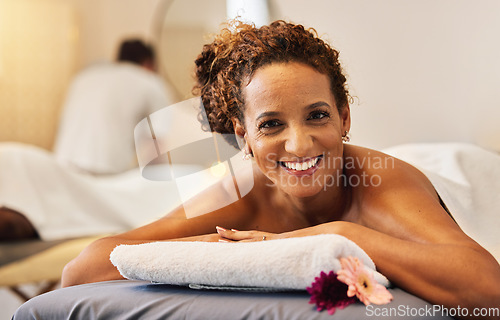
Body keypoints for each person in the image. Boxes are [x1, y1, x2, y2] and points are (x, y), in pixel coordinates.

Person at [61, 21, 500, 316]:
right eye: (271, 125)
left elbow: (486, 287)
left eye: (318, 115)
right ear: (242, 135)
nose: (298, 143)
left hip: (463, 174)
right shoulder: (241, 192)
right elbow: (85, 268)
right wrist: (241, 251)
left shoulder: (378, 182)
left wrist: (342, 235)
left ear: (344, 117)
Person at [53, 39, 178, 175]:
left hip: (61, 167)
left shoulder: (83, 77)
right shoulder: (150, 82)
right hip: (106, 171)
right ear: (148, 64)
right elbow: (155, 145)